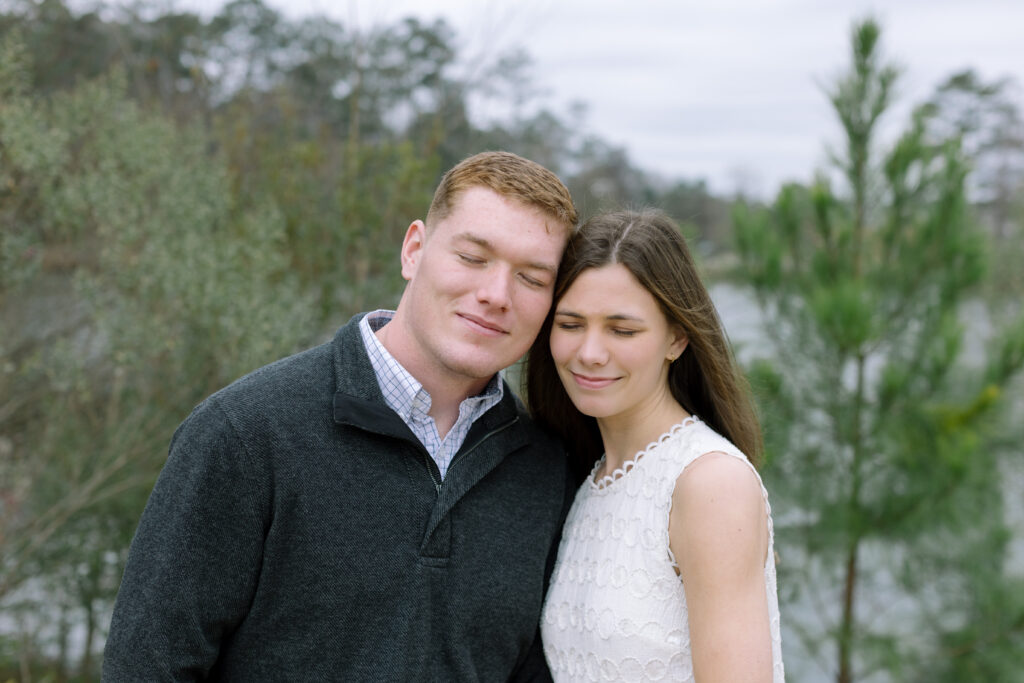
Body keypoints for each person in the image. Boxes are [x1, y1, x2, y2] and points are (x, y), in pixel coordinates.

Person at [103, 151, 579, 681]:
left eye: (532, 278)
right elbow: (146, 668)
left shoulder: (546, 470)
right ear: (414, 250)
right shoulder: (244, 435)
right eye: (472, 257)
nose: (496, 295)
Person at [526, 209, 784, 682]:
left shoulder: (710, 483)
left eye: (622, 330)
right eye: (570, 324)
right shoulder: (588, 478)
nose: (589, 353)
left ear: (677, 338)